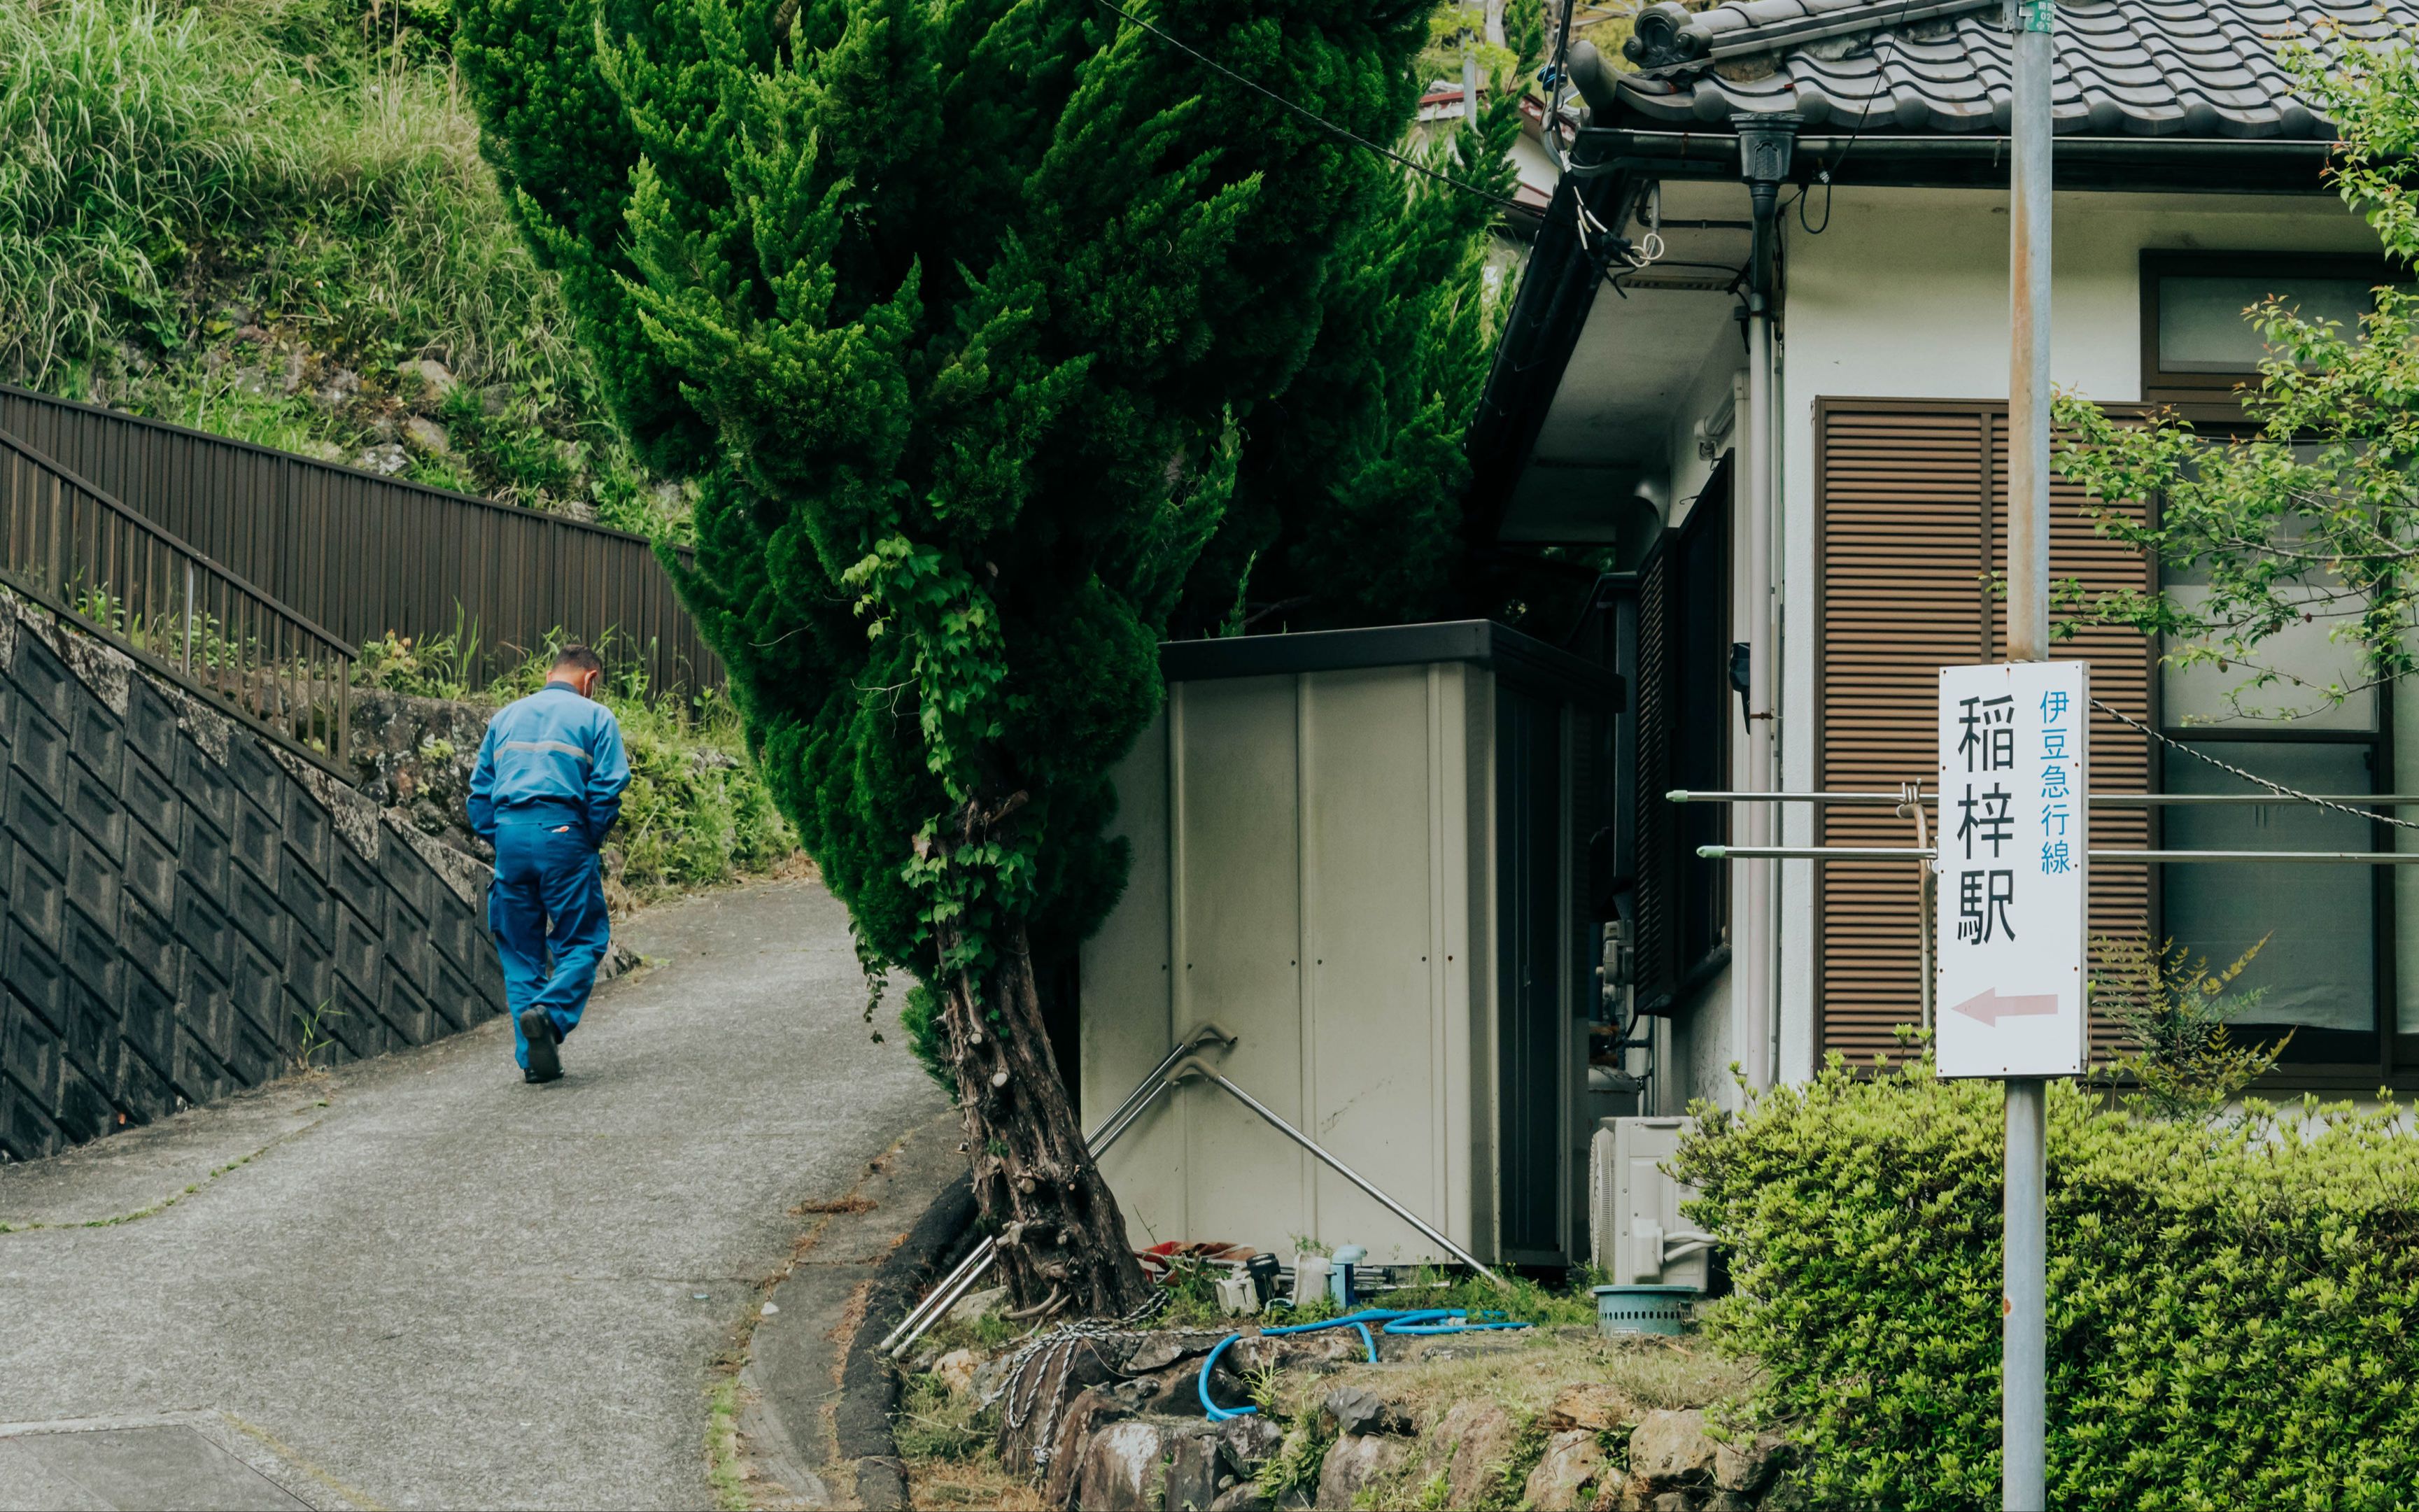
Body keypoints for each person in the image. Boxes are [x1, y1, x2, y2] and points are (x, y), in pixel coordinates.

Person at [467, 645, 630, 1084]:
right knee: (582, 943)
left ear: (549, 673)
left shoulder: (504, 718)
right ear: (591, 680)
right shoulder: (597, 718)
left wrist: (502, 837)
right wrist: (586, 837)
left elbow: (479, 797)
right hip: (564, 835)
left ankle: (534, 1062)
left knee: (521, 952)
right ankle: (550, 1015)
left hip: (510, 839)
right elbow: (609, 787)